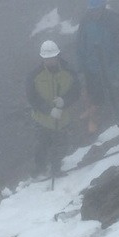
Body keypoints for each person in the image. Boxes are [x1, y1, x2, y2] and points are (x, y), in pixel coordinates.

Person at [75, 0, 119, 143]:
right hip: (90, 65)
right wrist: (81, 64)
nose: (94, 13)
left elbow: (118, 47)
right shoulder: (86, 21)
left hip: (106, 65)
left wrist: (113, 68)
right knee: (92, 92)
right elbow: (80, 43)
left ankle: (118, 118)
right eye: (92, 10)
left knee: (107, 92)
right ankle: (93, 119)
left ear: (102, 7)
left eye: (96, 9)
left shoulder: (112, 21)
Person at [27, 39, 81, 176]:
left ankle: (56, 168)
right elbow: (32, 98)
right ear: (42, 58)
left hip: (62, 118)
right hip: (42, 118)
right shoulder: (34, 76)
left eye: (52, 58)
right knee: (41, 144)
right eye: (46, 59)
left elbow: (76, 92)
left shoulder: (69, 72)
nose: (50, 61)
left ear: (57, 56)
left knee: (61, 144)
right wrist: (48, 110)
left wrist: (64, 102)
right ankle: (40, 167)